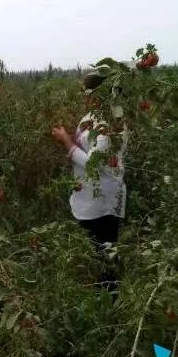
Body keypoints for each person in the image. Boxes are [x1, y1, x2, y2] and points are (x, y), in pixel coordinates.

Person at [51, 72, 127, 292]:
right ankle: (104, 298)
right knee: (98, 253)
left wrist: (66, 142)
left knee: (104, 256)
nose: (84, 98)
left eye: (86, 93)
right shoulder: (95, 116)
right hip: (93, 196)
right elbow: (90, 149)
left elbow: (93, 163)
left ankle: (109, 306)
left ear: (96, 95)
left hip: (103, 200)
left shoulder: (109, 125)